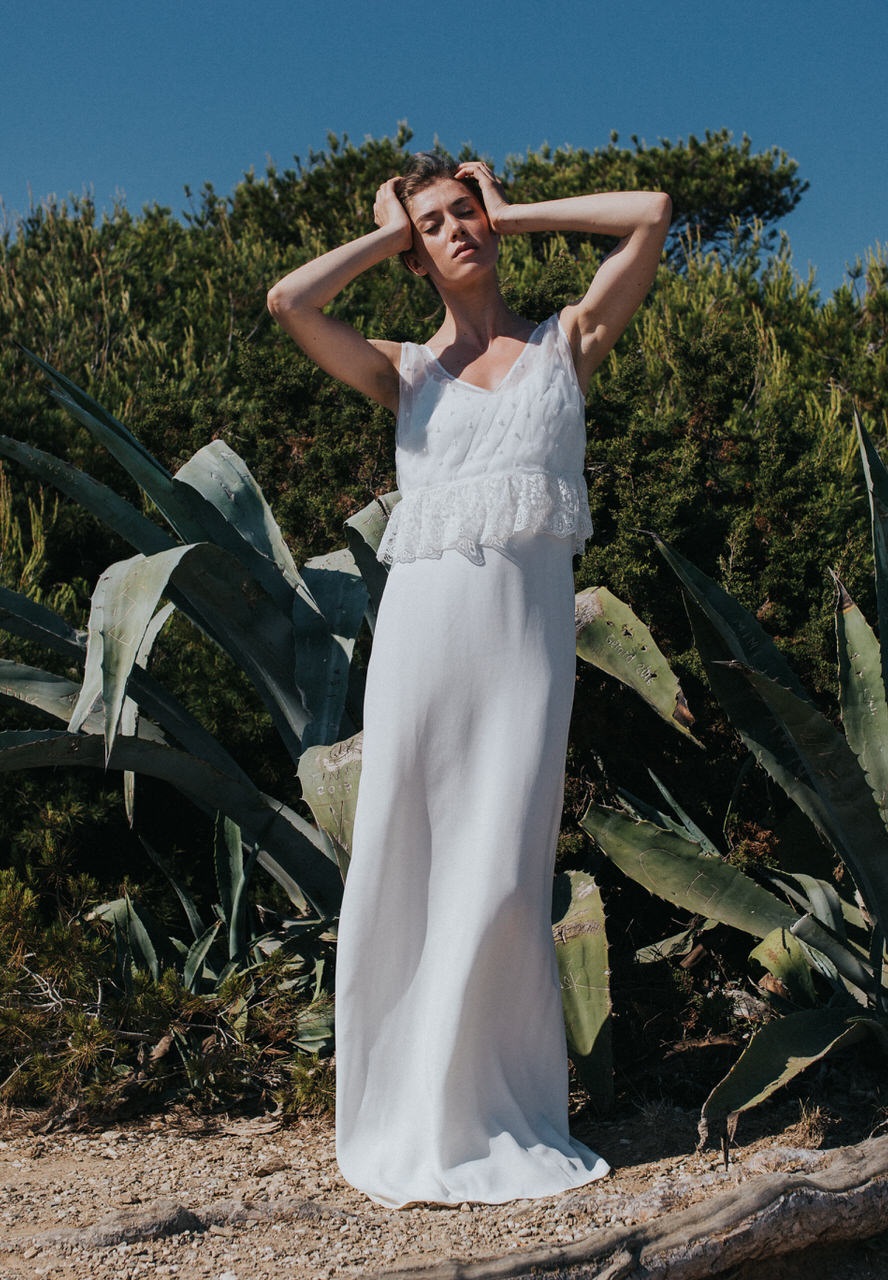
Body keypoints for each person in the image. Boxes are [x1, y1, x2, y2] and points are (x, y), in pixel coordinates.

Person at [267, 152, 671, 1207]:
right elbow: (290, 302)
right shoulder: (402, 370)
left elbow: (651, 213)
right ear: (413, 253)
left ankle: (494, 1108)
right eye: (434, 224)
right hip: (424, 641)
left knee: (503, 869)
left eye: (465, 212)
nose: (457, 229)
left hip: (525, 648)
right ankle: (405, 1114)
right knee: (407, 858)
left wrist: (512, 208)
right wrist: (389, 230)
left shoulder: (566, 342)